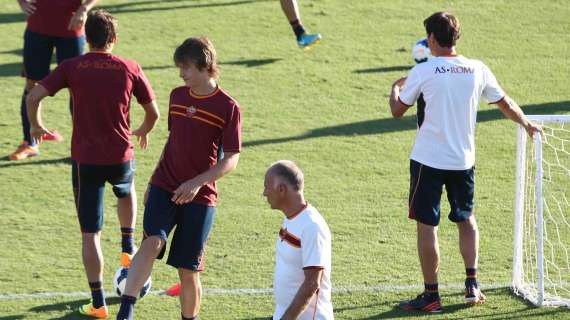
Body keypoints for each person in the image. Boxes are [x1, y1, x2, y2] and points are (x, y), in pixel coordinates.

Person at [389, 11, 542, 313]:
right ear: (456, 38)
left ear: (432, 39)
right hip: (462, 161)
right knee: (466, 218)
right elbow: (505, 103)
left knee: (427, 225)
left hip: (427, 162)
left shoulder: (423, 71)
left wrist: (395, 87)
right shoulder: (477, 69)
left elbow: (397, 110)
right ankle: (472, 284)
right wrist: (526, 124)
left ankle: (431, 295)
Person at [26, 9, 159, 318]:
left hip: (86, 161)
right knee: (127, 191)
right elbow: (153, 112)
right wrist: (143, 130)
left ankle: (98, 303)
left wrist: (35, 126)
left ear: (86, 36)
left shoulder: (72, 66)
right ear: (114, 39)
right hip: (120, 154)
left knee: (90, 234)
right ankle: (127, 248)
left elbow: (34, 96)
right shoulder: (129, 67)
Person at [115, 37, 242, 320]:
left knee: (188, 269)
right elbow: (174, 142)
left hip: (201, 197)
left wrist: (197, 183)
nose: (181, 74)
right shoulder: (178, 96)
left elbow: (231, 158)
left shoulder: (227, 107)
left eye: (186, 68)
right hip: (165, 186)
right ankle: (126, 313)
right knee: (152, 243)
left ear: (205, 66)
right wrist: (151, 182)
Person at [10, 0, 98, 160]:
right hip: (37, 28)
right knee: (32, 84)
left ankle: (82, 147)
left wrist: (84, 8)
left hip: (72, 29)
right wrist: (22, 2)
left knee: (76, 88)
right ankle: (30, 143)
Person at [263, 160, 333, 320]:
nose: (264, 193)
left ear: (282, 190)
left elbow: (312, 284)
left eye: (267, 186)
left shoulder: (312, 226)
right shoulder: (292, 218)